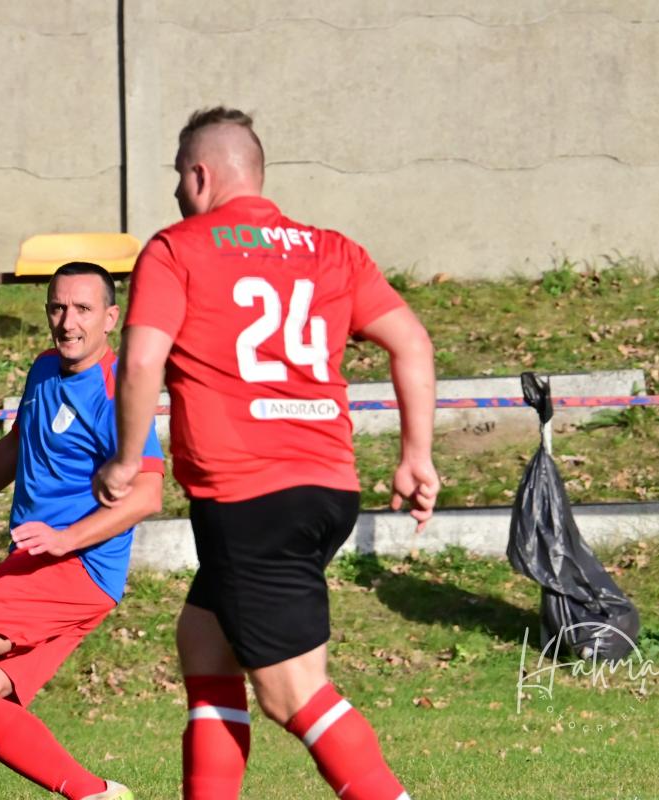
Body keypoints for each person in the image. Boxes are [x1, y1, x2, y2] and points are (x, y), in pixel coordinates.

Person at [93, 108, 439, 800]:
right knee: (204, 641)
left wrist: (126, 461)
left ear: (199, 176)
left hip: (249, 496)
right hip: (327, 489)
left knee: (293, 694)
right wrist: (416, 455)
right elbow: (412, 343)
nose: (176, 192)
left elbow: (140, 362)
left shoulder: (177, 248)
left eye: (177, 177)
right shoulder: (334, 251)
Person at [0, 262, 165, 800]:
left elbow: (148, 495)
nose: (68, 322)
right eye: (58, 308)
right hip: (53, 562)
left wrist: (66, 540)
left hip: (78, 562)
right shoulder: (44, 368)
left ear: (111, 318)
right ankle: (97, 795)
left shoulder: (116, 392)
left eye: (83, 309)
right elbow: (18, 445)